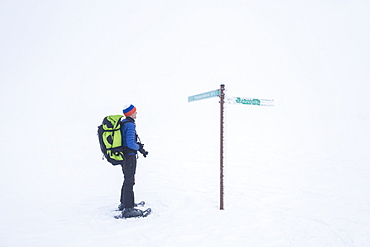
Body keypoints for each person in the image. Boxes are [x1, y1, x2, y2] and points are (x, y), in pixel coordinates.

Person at [118, 104, 149, 218]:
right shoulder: (130, 125)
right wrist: (138, 147)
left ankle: (124, 203)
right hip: (129, 156)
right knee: (130, 180)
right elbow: (130, 143)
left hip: (124, 156)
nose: (136, 113)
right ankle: (128, 209)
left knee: (127, 179)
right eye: (135, 111)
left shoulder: (124, 123)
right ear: (130, 113)